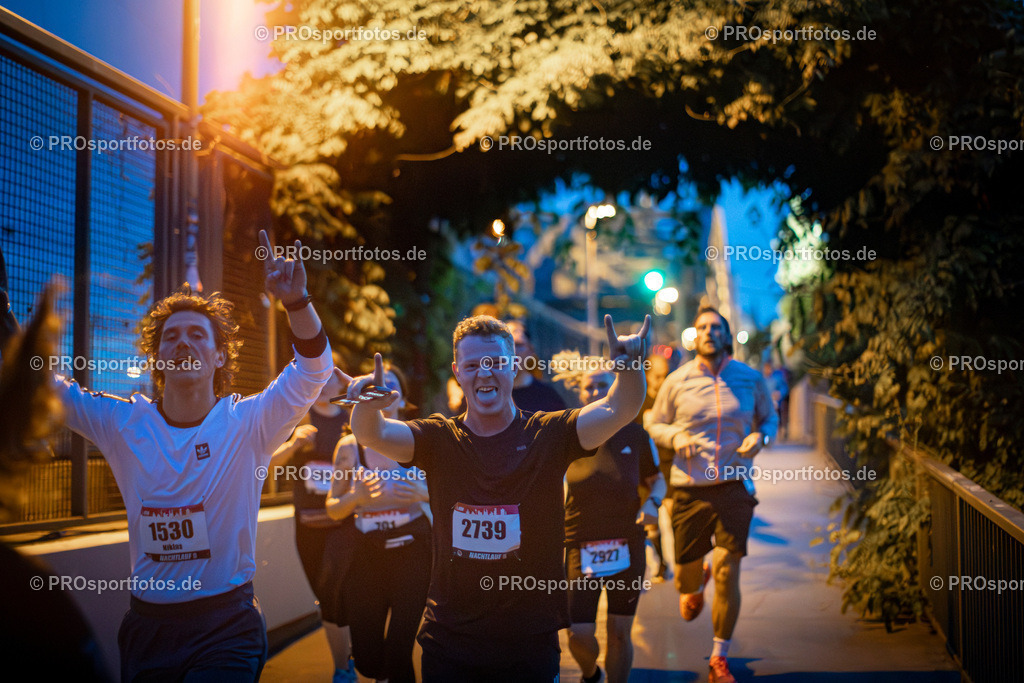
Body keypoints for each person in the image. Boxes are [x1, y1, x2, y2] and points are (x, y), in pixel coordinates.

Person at [55, 230, 335, 681]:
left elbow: (314, 370)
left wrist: (297, 301)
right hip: (148, 629)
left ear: (220, 355)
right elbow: (48, 392)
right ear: (157, 358)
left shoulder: (248, 423)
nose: (182, 343)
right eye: (171, 337)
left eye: (196, 335)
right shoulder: (123, 424)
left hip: (226, 627)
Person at [345, 313, 650, 682]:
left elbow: (620, 408)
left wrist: (631, 366)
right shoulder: (438, 438)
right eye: (473, 365)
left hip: (529, 641)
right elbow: (372, 434)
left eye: (496, 363)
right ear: (458, 371)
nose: (485, 373)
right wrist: (366, 405)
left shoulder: (549, 434)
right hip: (449, 640)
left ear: (514, 366)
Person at [646, 305, 777, 683]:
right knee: (686, 583)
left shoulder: (749, 379)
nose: (707, 332)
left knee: (727, 568)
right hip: (689, 489)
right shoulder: (678, 380)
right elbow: (653, 422)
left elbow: (769, 417)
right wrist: (676, 436)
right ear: (695, 335)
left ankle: (720, 655)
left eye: (715, 326)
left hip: (735, 486)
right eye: (701, 326)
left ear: (726, 334)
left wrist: (761, 436)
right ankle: (693, 578)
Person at [326, 363, 430, 683]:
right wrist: (355, 498)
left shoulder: (421, 440)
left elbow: (452, 498)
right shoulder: (348, 447)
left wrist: (423, 493)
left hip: (412, 549)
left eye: (389, 388)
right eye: (374, 388)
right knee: (369, 659)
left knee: (399, 650)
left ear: (400, 400)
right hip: (366, 553)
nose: (381, 393)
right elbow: (332, 509)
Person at [562, 361, 665, 683]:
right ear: (579, 392)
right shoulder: (566, 435)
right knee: (578, 634)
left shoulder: (635, 434)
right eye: (589, 386)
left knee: (620, 633)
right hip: (580, 542)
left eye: (602, 385)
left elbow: (657, 479)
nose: (595, 392)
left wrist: (653, 501)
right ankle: (591, 673)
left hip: (627, 542)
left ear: (614, 389)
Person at [270, 366, 356, 683]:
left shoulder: (352, 418)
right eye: (316, 378)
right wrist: (293, 444)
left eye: (329, 376)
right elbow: (267, 463)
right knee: (323, 593)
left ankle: (344, 666)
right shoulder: (298, 418)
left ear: (339, 380)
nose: (322, 383)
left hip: (344, 521)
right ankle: (342, 662)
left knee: (335, 591)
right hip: (307, 524)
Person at [635, 353, 672, 581]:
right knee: (650, 522)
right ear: (647, 375)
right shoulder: (638, 402)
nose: (661, 381)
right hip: (644, 470)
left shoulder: (671, 400)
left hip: (669, 466)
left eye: (664, 376)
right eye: (656, 376)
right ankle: (660, 562)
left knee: (674, 513)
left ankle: (682, 562)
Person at [506, 319, 568, 411]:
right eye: (508, 345)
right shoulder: (487, 394)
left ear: (531, 350)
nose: (513, 351)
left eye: (519, 345)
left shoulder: (548, 398)